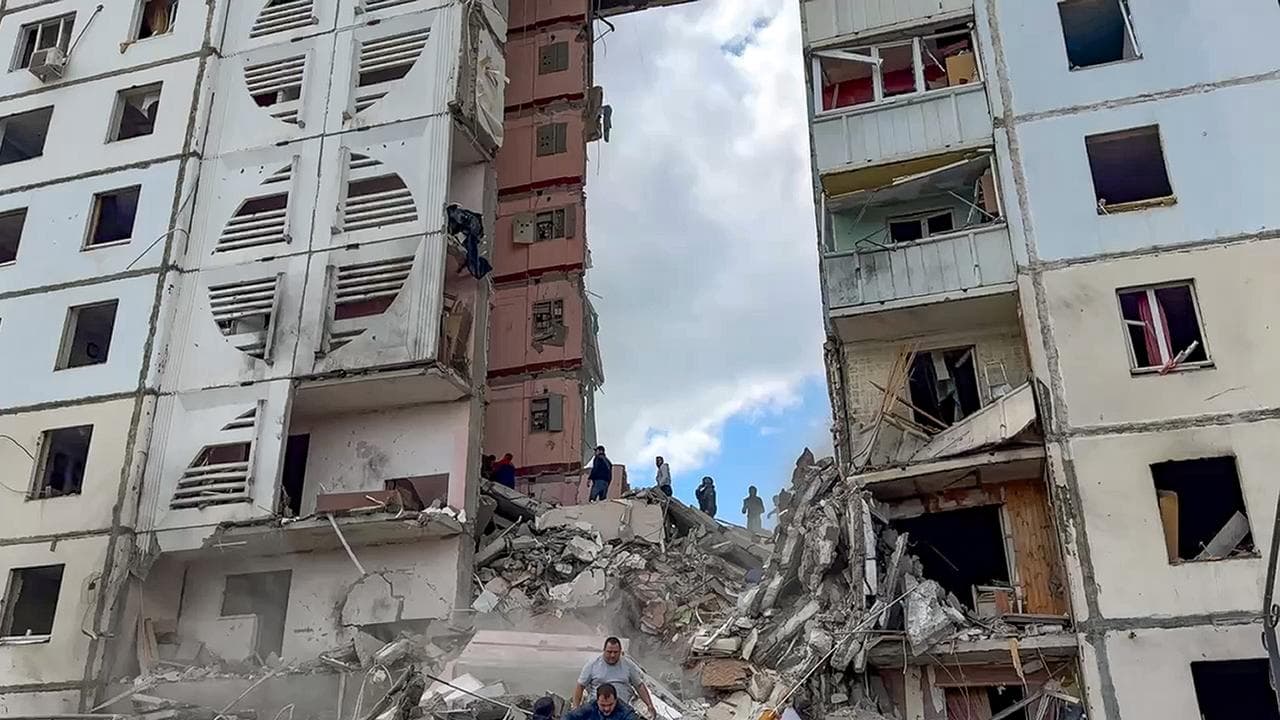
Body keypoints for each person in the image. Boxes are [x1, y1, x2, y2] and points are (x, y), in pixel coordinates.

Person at [573, 637, 657, 718]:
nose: (612, 655)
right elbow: (580, 686)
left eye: (615, 652)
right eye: (609, 652)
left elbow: (639, 686)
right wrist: (576, 709)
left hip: (622, 710)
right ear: (604, 651)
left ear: (620, 651)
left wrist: (649, 705)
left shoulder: (628, 665)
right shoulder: (592, 664)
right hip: (598, 709)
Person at [566, 684, 639, 720]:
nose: (607, 709)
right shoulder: (590, 707)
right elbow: (569, 716)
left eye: (610, 704)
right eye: (603, 705)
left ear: (616, 700)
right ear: (597, 701)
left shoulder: (626, 712)